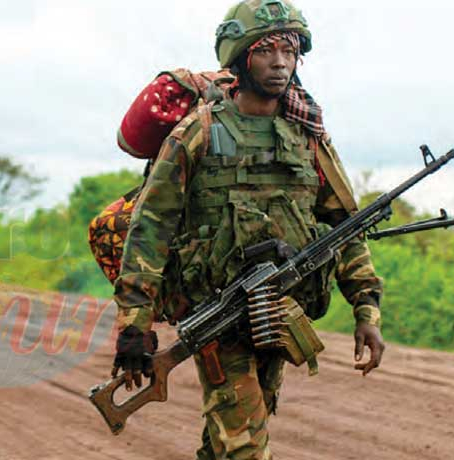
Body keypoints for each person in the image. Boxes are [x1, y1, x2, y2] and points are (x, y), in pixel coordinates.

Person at [111, 1, 385, 458]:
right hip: (220, 317)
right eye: (267, 51)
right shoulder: (198, 133)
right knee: (245, 448)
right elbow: (150, 229)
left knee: (226, 444)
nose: (280, 62)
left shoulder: (306, 135)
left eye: (290, 51)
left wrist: (367, 311)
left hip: (279, 314)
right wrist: (134, 325)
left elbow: (345, 225)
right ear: (241, 57)